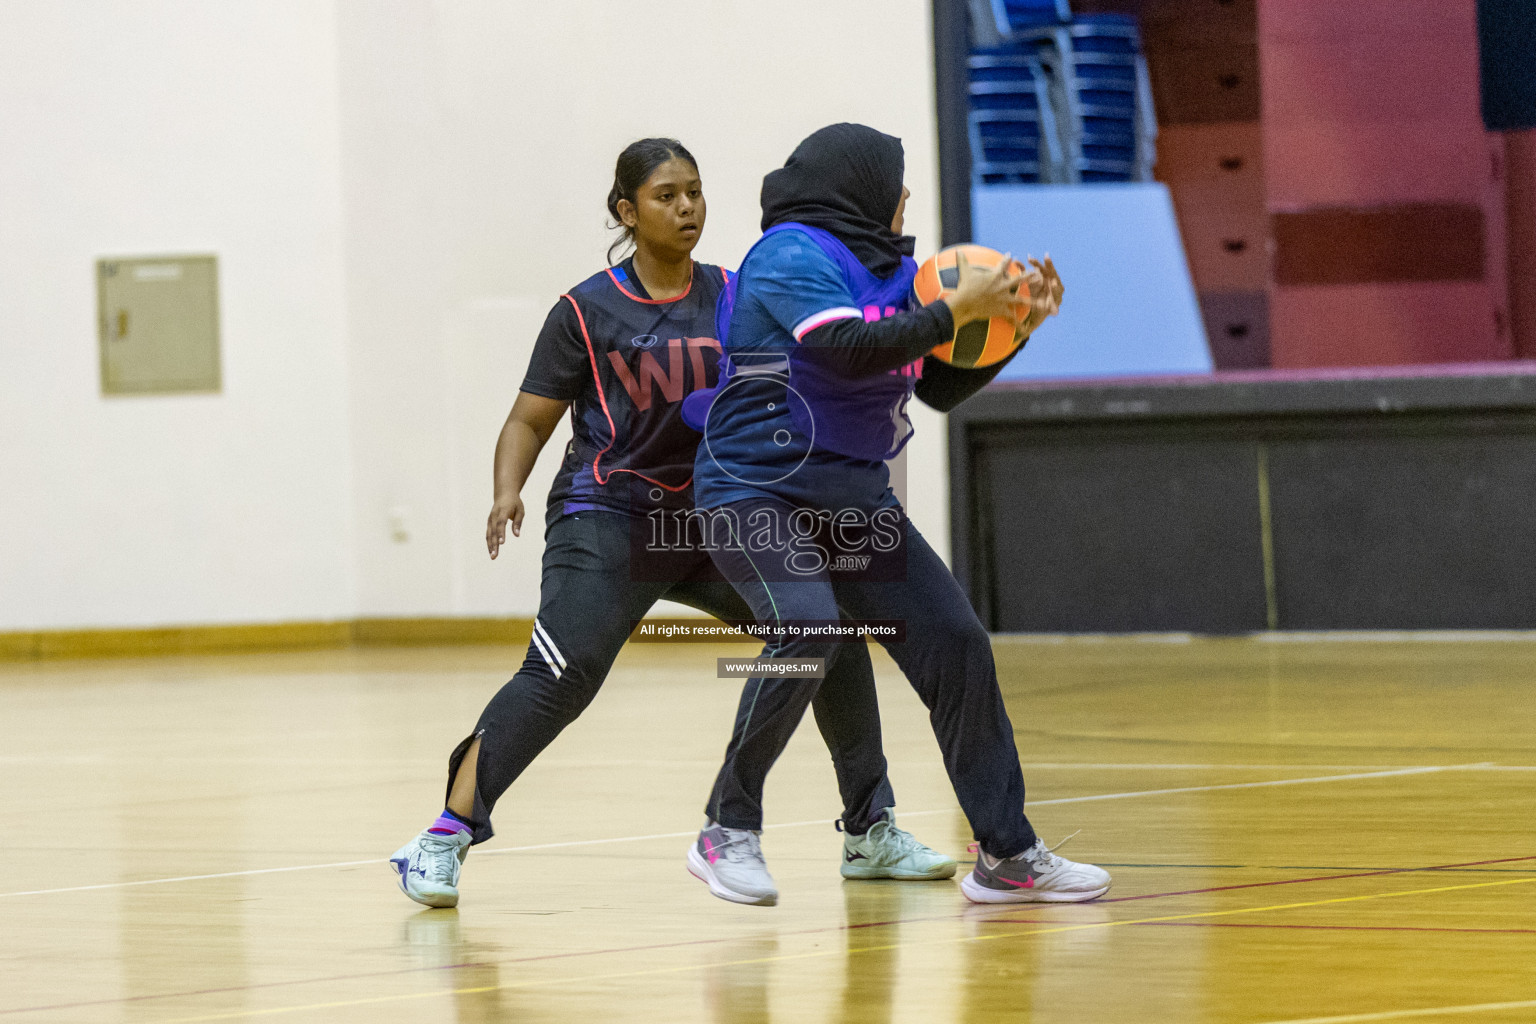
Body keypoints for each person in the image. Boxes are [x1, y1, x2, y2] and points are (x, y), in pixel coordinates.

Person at [389, 137, 953, 910]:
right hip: (610, 519)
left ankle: (870, 828)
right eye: (665, 196)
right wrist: (505, 491)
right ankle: (443, 836)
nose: (686, 207)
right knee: (562, 674)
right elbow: (528, 419)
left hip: (712, 512)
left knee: (825, 635)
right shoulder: (585, 310)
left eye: (694, 192)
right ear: (627, 211)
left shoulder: (733, 290)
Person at [683, 123, 1111, 905]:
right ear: (860, 186)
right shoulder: (791, 253)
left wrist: (1014, 326)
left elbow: (939, 389)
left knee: (955, 642)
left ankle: (1007, 856)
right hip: (753, 490)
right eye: (897, 181)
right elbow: (847, 348)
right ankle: (727, 829)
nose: (906, 196)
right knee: (808, 627)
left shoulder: (903, 274)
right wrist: (955, 312)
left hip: (852, 501)